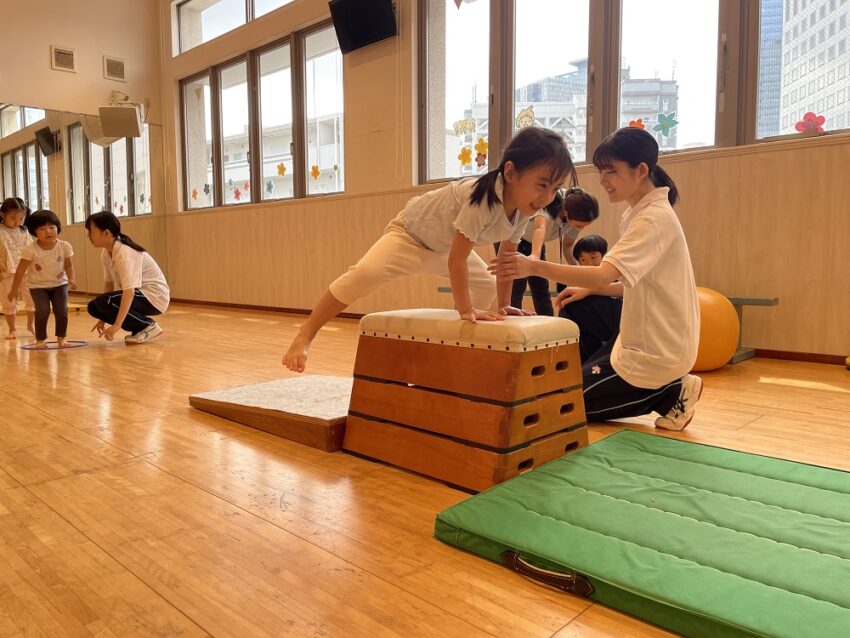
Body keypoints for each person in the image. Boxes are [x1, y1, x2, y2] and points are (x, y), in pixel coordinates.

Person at [283, 126, 577, 372]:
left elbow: (506, 260)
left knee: (486, 285)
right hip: (409, 237)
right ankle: (305, 333)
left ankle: (466, 352)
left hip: (445, 247)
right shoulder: (483, 198)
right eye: (542, 185)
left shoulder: (525, 209)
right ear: (511, 173)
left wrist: (502, 305)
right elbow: (457, 261)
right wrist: (465, 309)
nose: (547, 197)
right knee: (363, 274)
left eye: (554, 189)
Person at [491, 127, 702, 431]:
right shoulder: (638, 211)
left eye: (610, 172)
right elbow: (630, 281)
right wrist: (586, 291)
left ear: (641, 170)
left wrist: (534, 266)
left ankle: (672, 391)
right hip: (640, 333)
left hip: (657, 351)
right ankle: (589, 371)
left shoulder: (653, 218)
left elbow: (603, 272)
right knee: (575, 302)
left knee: (566, 408)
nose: (602, 180)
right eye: (601, 171)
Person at [510, 187, 599, 315]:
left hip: (535, 242)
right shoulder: (551, 201)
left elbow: (568, 246)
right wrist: (534, 256)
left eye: (585, 226)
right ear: (566, 213)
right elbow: (540, 228)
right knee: (517, 286)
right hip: (514, 238)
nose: (581, 228)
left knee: (541, 286)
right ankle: (513, 324)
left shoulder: (578, 215)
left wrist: (578, 269)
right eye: (580, 226)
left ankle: (549, 325)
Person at [84, 211, 170, 344]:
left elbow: (129, 291)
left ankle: (147, 326)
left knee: (102, 301)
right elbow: (109, 285)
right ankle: (140, 329)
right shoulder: (106, 253)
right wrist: (103, 316)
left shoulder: (125, 253)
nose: (88, 235)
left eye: (91, 231)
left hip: (154, 296)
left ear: (106, 233)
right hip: (140, 295)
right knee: (93, 306)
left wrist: (116, 325)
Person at [7, 209, 76, 349]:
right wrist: (14, 290)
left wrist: (72, 279)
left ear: (58, 228)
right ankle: (40, 340)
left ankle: (61, 338)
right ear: (34, 231)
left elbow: (68, 265)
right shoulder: (30, 249)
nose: (48, 231)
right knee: (42, 310)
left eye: (52, 227)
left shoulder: (64, 246)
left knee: (61, 310)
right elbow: (20, 270)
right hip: (38, 286)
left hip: (59, 284)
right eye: (42, 229)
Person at [557, 235, 623, 363]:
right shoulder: (580, 285)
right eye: (583, 260)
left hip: (621, 326)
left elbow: (625, 290)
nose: (589, 264)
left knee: (572, 304)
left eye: (593, 257)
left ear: (604, 256)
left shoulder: (616, 274)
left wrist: (589, 291)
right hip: (600, 333)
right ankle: (584, 360)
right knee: (569, 303)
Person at [0, 198, 35, 339]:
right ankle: (12, 329)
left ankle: (30, 324)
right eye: (13, 218)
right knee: (9, 300)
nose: (17, 222)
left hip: (25, 270)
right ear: (2, 215)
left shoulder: (24, 231)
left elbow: (32, 249)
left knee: (31, 298)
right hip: (7, 271)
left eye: (21, 218)